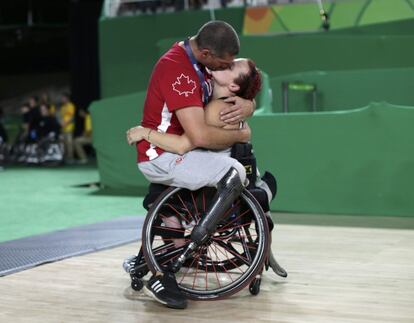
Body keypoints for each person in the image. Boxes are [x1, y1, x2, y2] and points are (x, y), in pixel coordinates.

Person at [126, 21, 257, 310]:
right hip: (161, 154)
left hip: (180, 149)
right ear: (207, 53)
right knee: (233, 171)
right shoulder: (177, 69)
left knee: (236, 162)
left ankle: (149, 255)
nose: (223, 69)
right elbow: (196, 137)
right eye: (222, 64)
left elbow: (240, 83)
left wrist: (249, 105)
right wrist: (242, 133)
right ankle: (165, 273)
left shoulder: (201, 61)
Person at [59, 93, 75, 163]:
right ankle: (65, 158)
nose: (62, 99)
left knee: (69, 143)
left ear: (67, 98)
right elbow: (62, 117)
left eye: (63, 98)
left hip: (69, 128)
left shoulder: (71, 106)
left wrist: (65, 123)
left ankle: (71, 158)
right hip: (63, 128)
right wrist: (61, 124)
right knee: (64, 143)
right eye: (62, 98)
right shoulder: (62, 107)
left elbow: (72, 117)